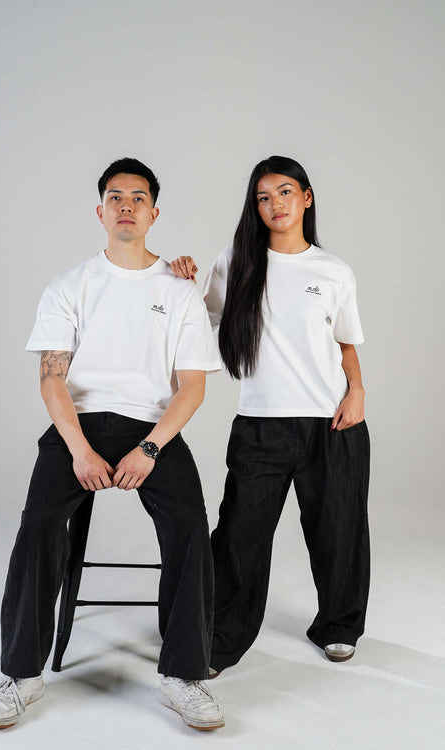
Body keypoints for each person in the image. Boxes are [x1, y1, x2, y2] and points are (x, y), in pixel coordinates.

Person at [0, 158, 225, 731]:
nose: (126, 206)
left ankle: (183, 675)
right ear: (100, 211)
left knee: (191, 527)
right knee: (39, 526)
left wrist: (151, 449)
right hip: (80, 426)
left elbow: (192, 387)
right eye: (116, 197)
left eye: (138, 198)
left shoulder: (180, 290)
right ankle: (22, 674)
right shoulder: (70, 284)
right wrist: (79, 450)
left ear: (154, 213)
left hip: (152, 429)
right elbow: (51, 379)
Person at [171, 155, 370, 672]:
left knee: (339, 529)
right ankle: (218, 639)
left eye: (285, 192)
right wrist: (180, 282)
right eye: (263, 197)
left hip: (332, 420)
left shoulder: (333, 270)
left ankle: (339, 625)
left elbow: (345, 342)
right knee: (239, 536)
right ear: (254, 207)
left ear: (306, 198)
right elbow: (197, 320)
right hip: (261, 425)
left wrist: (357, 391)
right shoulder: (237, 261)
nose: (275, 204)